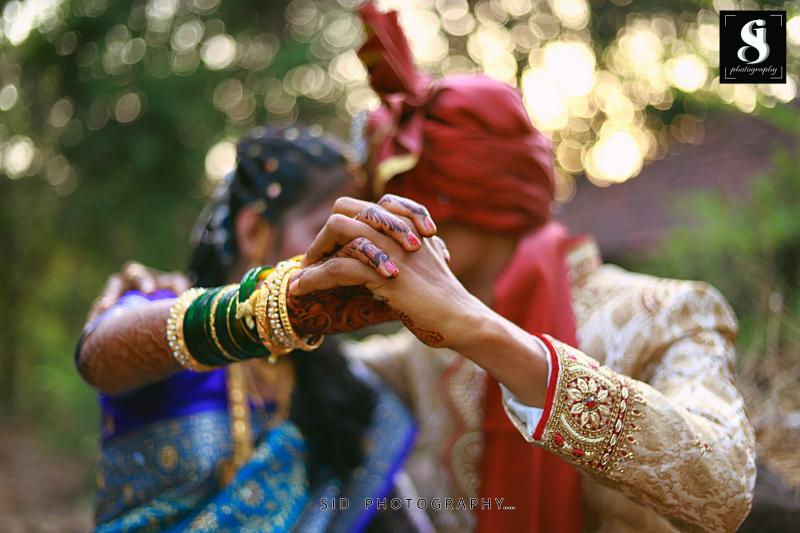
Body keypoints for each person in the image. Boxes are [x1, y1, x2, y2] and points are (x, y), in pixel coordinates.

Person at [305, 4, 754, 532]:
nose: (388, 227)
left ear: (467, 200)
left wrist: (481, 331)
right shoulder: (424, 352)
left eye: (400, 204)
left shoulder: (663, 313)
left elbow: (724, 490)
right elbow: (306, 368)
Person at [76, 125, 422, 532]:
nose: (351, 253)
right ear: (254, 231)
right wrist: (276, 308)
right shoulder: (163, 312)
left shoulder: (341, 385)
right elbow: (96, 358)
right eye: (328, 231)